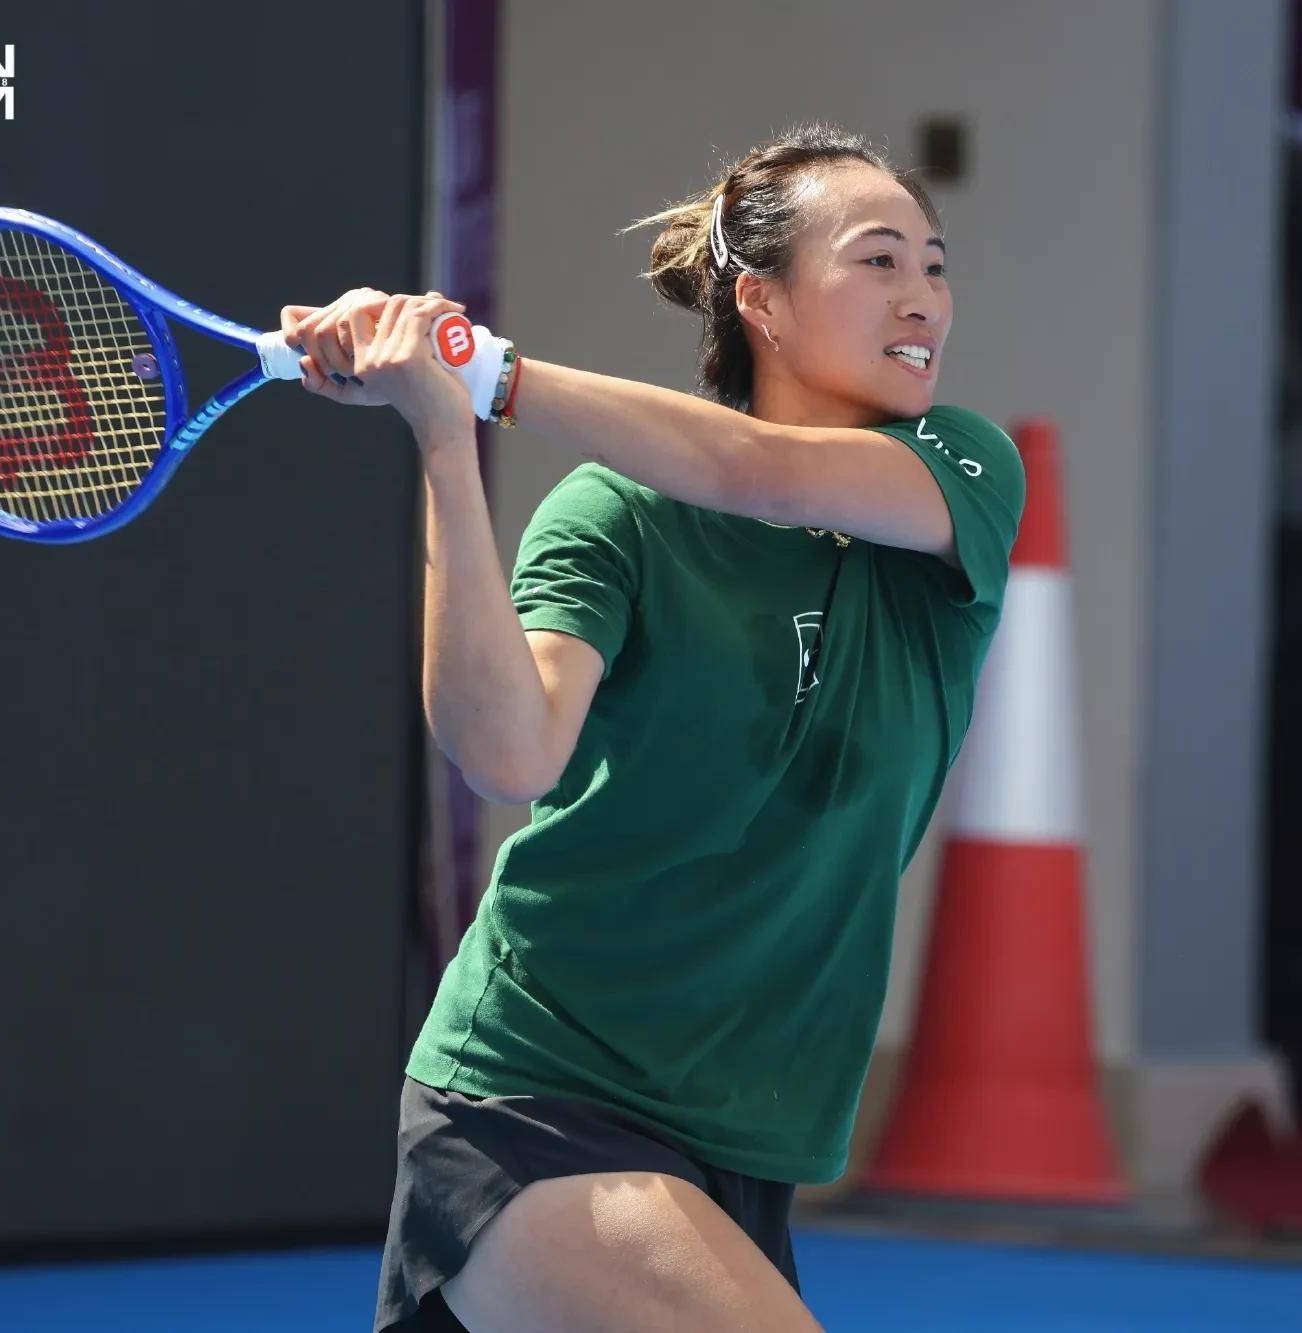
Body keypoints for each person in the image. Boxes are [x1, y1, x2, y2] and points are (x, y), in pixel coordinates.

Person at [285, 123, 1025, 1333]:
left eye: (933, 266)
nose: (922, 298)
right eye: (877, 260)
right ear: (762, 302)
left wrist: (493, 375)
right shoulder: (616, 515)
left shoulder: (961, 469)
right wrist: (444, 440)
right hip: (537, 1091)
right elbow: (507, 752)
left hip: (741, 1136)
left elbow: (758, 471)